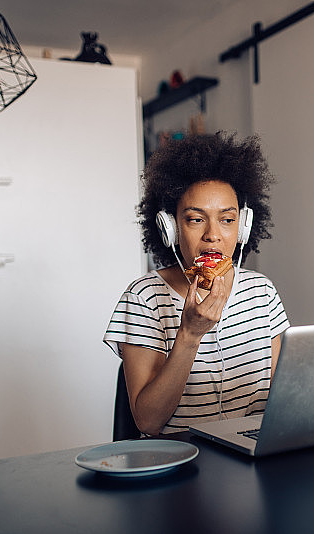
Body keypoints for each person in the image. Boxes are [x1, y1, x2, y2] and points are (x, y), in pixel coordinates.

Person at [103, 133, 290, 436]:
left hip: (253, 456)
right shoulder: (143, 298)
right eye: (195, 219)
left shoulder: (262, 293)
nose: (213, 235)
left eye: (227, 220)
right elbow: (148, 422)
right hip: (180, 462)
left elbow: (278, 403)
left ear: (243, 228)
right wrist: (189, 335)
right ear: (170, 228)